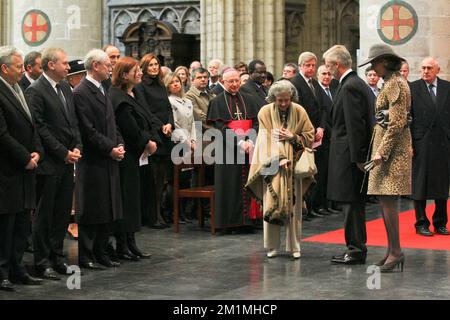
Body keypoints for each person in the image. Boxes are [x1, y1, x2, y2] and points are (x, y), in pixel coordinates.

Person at [26, 48, 82, 279]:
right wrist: (62, 152)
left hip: (68, 160)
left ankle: (57, 256)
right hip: (50, 162)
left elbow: (73, 122)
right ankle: (42, 261)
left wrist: (77, 146)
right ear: (51, 65)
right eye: (64, 63)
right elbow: (39, 128)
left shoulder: (65, 88)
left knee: (61, 214)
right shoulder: (35, 91)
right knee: (45, 214)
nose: (68, 68)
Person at [246, 80, 315, 259]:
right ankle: (272, 246)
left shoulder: (299, 111)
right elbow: (264, 139)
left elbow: (310, 135)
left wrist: (293, 137)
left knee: (295, 207)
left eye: (287, 100)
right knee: (272, 204)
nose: (283, 104)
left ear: (291, 97)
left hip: (295, 166)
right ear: (273, 98)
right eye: (279, 100)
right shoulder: (265, 112)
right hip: (273, 167)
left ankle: (294, 246)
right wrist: (280, 158)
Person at [359, 44, 412, 272]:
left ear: (386, 61)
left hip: (392, 151)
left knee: (388, 199)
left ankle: (397, 251)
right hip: (386, 149)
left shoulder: (397, 84)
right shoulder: (389, 83)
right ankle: (392, 250)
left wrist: (382, 151)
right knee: (384, 199)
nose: (372, 66)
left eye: (375, 62)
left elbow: (398, 123)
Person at [73, 49, 124, 269]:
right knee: (91, 208)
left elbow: (112, 123)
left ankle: (102, 251)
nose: (111, 68)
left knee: (106, 207)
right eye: (106, 65)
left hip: (108, 158)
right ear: (95, 65)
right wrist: (110, 148)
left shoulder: (103, 88)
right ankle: (86, 255)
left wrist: (120, 143)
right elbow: (88, 130)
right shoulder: (81, 92)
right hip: (94, 160)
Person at [324, 45, 373, 265]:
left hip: (349, 157)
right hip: (348, 154)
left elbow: (356, 126)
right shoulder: (352, 84)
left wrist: (359, 158)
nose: (327, 70)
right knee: (351, 204)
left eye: (328, 65)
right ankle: (354, 247)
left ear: (337, 64)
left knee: (352, 204)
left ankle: (355, 250)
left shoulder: (350, 86)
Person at [0, 46, 43, 291]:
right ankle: (2, 271)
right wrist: (24, 157)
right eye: (17, 66)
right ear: (4, 68)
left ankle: (18, 268)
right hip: (7, 170)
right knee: (5, 225)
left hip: (26, 167)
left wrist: (37, 151)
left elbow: (31, 125)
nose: (21, 70)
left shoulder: (20, 90)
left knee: (21, 224)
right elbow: (2, 135)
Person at [109, 57, 159, 260]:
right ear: (124, 75)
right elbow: (129, 128)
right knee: (127, 200)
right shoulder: (118, 97)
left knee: (135, 199)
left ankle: (131, 242)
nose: (140, 73)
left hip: (140, 155)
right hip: (128, 155)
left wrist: (152, 138)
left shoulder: (136, 93)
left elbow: (148, 118)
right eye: (136, 70)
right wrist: (146, 142)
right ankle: (122, 244)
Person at [206, 68, 259, 234]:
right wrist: (239, 142)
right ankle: (229, 223)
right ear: (223, 82)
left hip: (248, 148)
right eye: (231, 81)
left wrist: (251, 139)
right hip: (227, 150)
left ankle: (246, 222)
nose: (235, 84)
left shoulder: (250, 99)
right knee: (229, 185)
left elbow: (257, 122)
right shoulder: (216, 102)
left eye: (237, 80)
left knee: (247, 184)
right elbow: (219, 128)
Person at [410, 57, 450, 236]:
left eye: (429, 68)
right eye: (423, 68)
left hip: (443, 143)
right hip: (421, 143)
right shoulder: (413, 88)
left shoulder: (447, 88)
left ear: (437, 70)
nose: (425, 71)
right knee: (420, 184)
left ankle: (440, 223)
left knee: (442, 184)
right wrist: (409, 143)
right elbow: (407, 118)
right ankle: (421, 223)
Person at [135, 54, 174, 229]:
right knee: (152, 179)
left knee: (161, 179)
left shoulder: (160, 85)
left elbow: (168, 108)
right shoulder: (141, 86)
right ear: (144, 67)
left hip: (165, 135)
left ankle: (159, 213)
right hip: (153, 134)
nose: (154, 67)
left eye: (156, 64)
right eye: (150, 65)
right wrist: (161, 126)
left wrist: (170, 124)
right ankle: (152, 216)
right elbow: (145, 111)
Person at [291, 52, 327, 219]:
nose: (311, 68)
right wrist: (310, 129)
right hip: (303, 135)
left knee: (315, 170)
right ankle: (304, 207)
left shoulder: (314, 83)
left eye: (313, 65)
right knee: (304, 171)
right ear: (300, 66)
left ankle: (315, 205)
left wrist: (321, 127)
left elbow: (323, 108)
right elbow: (297, 111)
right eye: (308, 65)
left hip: (316, 134)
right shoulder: (294, 83)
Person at [167, 72, 197, 223]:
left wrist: (194, 140)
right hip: (177, 142)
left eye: (177, 81)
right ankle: (173, 212)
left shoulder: (187, 101)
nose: (176, 84)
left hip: (189, 143)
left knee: (187, 178)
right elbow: (175, 124)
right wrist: (186, 141)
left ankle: (183, 212)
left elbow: (192, 123)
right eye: (172, 82)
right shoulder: (169, 101)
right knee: (176, 179)